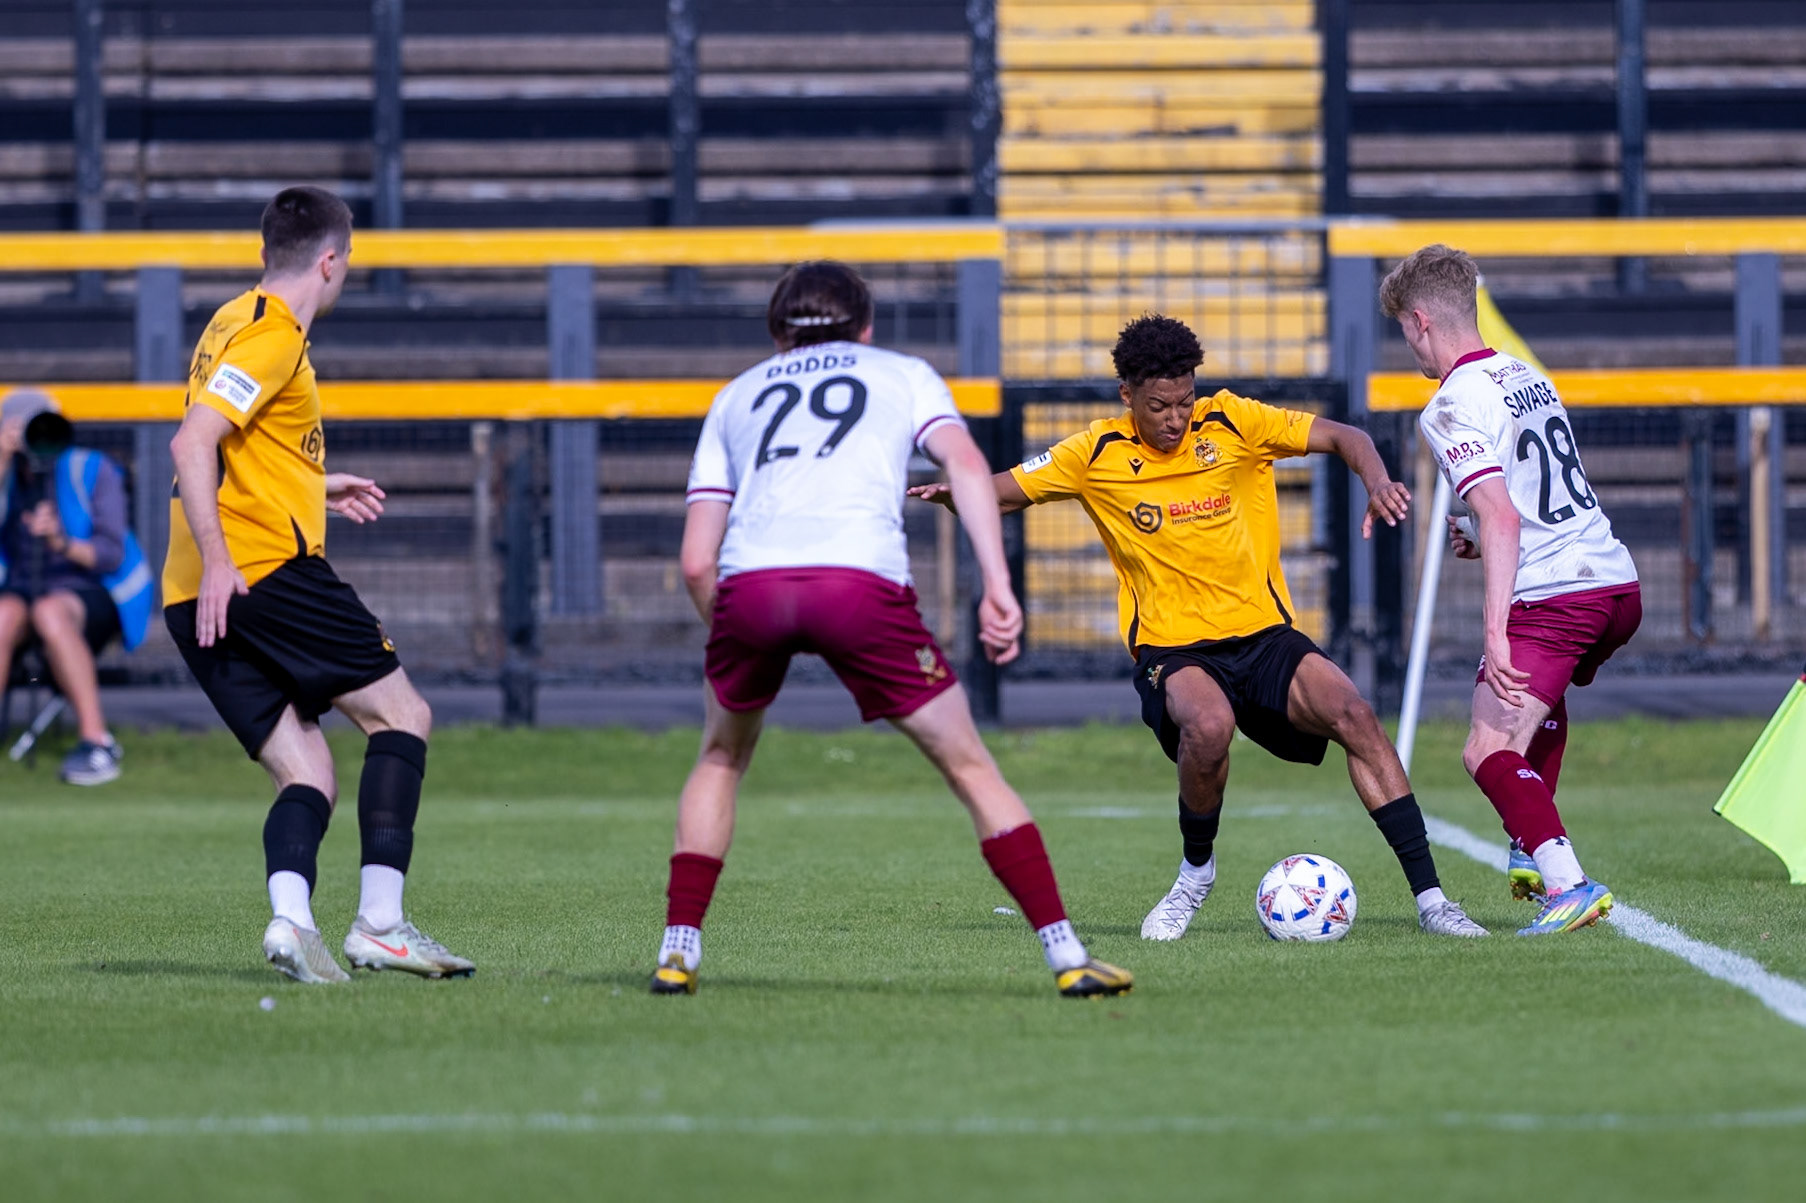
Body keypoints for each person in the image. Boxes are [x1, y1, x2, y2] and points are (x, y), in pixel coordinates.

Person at [912, 314, 1488, 941]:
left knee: (1355, 714)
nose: (1176, 417)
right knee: (1208, 725)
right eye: (1159, 405)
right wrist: (952, 491)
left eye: (1185, 401)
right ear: (1127, 396)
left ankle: (1434, 902)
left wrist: (1377, 482)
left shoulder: (1234, 420)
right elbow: (1003, 491)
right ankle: (1195, 876)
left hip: (1264, 637)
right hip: (1174, 647)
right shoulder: (1094, 453)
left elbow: (1346, 435)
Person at [651, 260, 1132, 998]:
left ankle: (677, 951)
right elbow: (966, 465)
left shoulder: (735, 394)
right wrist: (996, 585)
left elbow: (693, 561)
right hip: (858, 584)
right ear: (866, 328)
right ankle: (1067, 955)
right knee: (970, 766)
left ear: (777, 333)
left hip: (750, 588)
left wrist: (736, 631)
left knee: (719, 758)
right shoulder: (903, 373)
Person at [163, 186, 473, 983]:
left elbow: (237, 443)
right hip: (258, 570)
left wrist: (312, 483)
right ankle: (380, 923)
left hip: (190, 590)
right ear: (330, 260)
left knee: (309, 774)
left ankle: (292, 924)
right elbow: (193, 443)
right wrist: (226, 555)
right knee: (402, 714)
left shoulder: (229, 318)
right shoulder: (273, 337)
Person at [1380, 244, 1639, 937]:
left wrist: (1496, 632)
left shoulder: (1447, 404)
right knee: (1532, 714)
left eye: (1404, 334)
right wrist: (1474, 531)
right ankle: (1530, 848)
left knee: (1486, 747)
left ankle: (1568, 881)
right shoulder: (1526, 373)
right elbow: (1521, 496)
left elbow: (1502, 511)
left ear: (1419, 321)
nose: (1410, 350)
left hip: (1557, 595)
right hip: (1615, 582)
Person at [0, 389, 151, 785]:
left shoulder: (90, 469)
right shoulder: (8, 475)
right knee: (3, 616)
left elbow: (111, 554)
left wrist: (60, 541)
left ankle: (96, 742)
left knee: (49, 611)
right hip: (19, 589)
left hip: (91, 590)